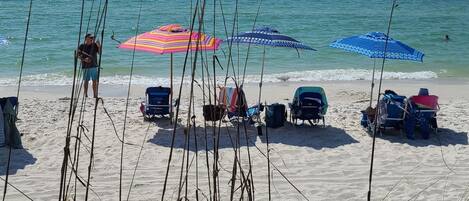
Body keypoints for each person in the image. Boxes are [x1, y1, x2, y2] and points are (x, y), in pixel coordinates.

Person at [77, 33, 101, 98]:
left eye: (92, 38)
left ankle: (95, 95)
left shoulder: (95, 45)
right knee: (86, 81)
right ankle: (85, 94)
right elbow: (78, 55)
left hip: (93, 65)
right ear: (86, 39)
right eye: (90, 38)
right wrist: (84, 59)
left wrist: (99, 46)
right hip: (85, 66)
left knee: (94, 80)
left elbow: (99, 53)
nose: (92, 39)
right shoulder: (82, 46)